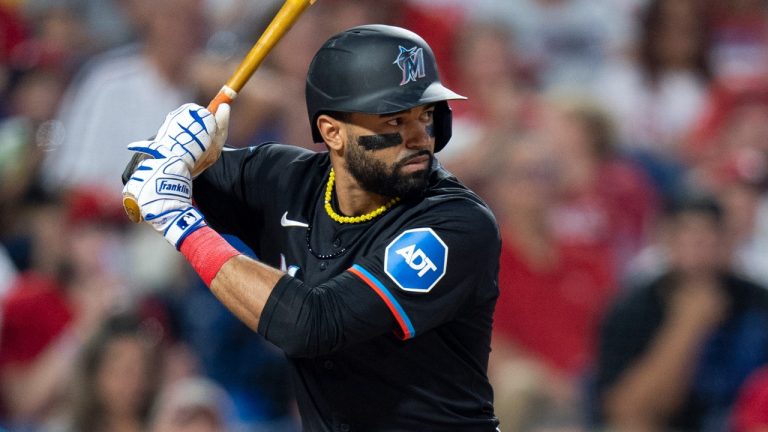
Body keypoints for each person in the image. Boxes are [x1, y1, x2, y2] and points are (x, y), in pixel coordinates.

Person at [121, 24, 501, 431]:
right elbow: (141, 172)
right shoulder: (284, 179)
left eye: (425, 116)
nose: (418, 138)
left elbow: (314, 325)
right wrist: (177, 147)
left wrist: (183, 226)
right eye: (394, 121)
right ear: (332, 132)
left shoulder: (455, 223)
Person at [594, 195, 768, 432]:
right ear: (665, 240)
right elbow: (626, 410)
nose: (698, 250)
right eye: (687, 238)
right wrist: (687, 325)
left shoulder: (757, 301)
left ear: (727, 241)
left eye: (708, 238)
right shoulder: (632, 309)